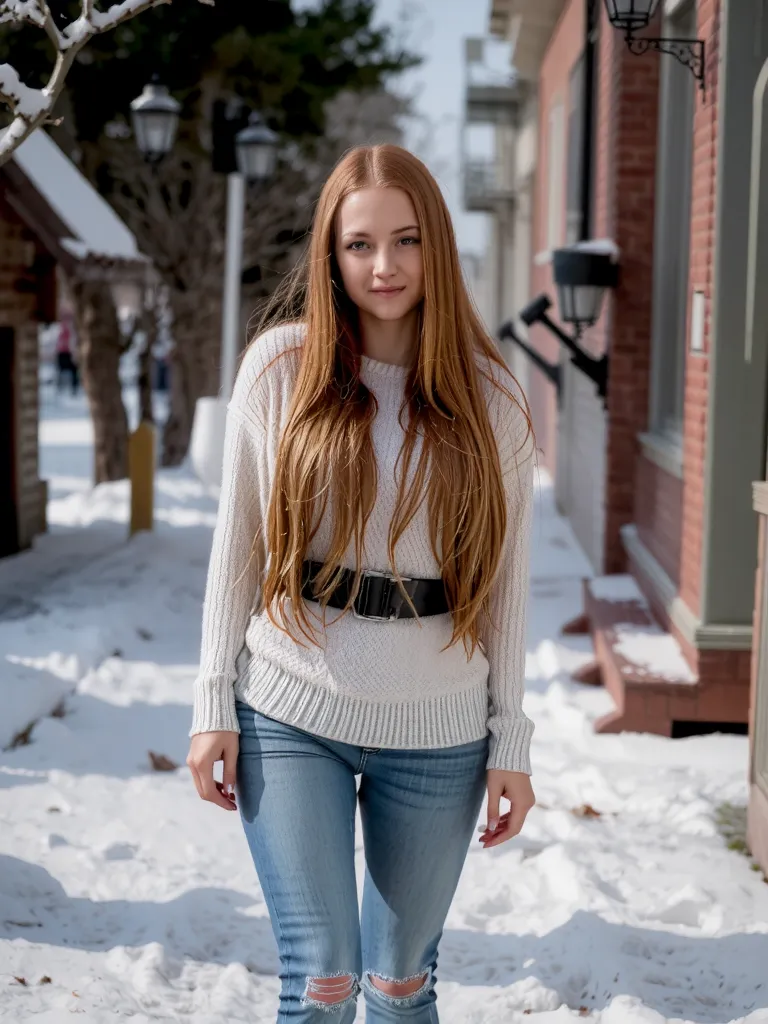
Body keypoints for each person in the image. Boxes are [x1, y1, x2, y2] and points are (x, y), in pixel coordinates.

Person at [187, 144, 536, 1023]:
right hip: (292, 705)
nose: (384, 266)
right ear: (330, 255)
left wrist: (512, 741)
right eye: (360, 244)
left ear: (439, 247)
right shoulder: (279, 370)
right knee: (323, 981)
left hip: (439, 725)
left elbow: (507, 589)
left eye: (407, 240)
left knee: (399, 984)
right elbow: (235, 553)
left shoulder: (493, 399)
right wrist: (211, 704)